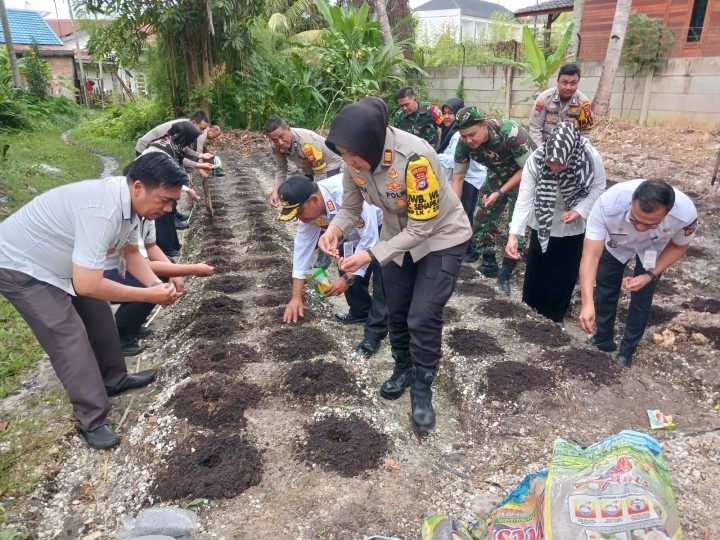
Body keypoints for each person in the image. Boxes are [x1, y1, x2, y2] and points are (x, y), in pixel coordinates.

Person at [0, 152, 187, 449]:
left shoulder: (131, 205)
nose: (169, 208)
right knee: (68, 336)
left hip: (63, 263)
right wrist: (148, 294)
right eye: (165, 200)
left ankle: (115, 379)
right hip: (23, 267)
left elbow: (131, 253)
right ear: (138, 187)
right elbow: (88, 284)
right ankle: (92, 418)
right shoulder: (102, 210)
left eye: (173, 202)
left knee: (99, 315)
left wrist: (155, 283)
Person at [320, 97, 472, 432]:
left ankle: (422, 387)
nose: (348, 161)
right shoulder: (353, 161)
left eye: (351, 154)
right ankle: (402, 366)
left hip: (440, 238)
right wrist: (333, 230)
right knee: (397, 308)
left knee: (423, 313)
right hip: (396, 239)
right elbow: (349, 208)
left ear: (372, 143)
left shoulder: (415, 159)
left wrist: (372, 254)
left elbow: (422, 228)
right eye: (343, 154)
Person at [579, 179, 698, 368]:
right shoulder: (607, 204)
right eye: (635, 219)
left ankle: (627, 351)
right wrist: (587, 303)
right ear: (631, 203)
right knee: (605, 283)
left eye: (650, 223)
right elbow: (590, 256)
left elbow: (678, 246)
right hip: (617, 240)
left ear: (668, 212)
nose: (640, 228)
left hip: (654, 247)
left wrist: (650, 274)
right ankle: (603, 337)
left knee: (642, 296)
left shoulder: (685, 214)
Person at [505, 123, 606, 327]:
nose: (555, 168)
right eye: (551, 163)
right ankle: (531, 311)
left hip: (574, 217)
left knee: (565, 270)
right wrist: (513, 235)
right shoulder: (537, 158)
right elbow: (524, 198)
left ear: (571, 155)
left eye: (561, 164)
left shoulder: (590, 157)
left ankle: (556, 315)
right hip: (543, 215)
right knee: (538, 266)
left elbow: (598, 188)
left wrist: (579, 210)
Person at [278, 175, 388, 356]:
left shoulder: (344, 195)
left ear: (314, 200)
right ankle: (360, 311)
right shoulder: (309, 212)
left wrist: (347, 279)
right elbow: (301, 252)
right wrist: (296, 297)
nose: (299, 219)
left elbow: (370, 239)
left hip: (381, 226)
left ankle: (375, 332)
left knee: (382, 277)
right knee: (344, 261)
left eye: (299, 213)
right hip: (350, 233)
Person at [451, 106, 537, 294]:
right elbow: (458, 177)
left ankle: (506, 271)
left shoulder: (511, 132)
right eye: (464, 136)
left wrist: (500, 191)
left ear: (484, 124)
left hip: (525, 177)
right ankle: (489, 262)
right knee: (481, 215)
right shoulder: (464, 142)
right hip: (497, 174)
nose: (468, 140)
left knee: (517, 226)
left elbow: (528, 170)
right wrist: (455, 211)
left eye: (472, 135)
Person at [105, 218, 214, 356]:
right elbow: (145, 265)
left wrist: (174, 269)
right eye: (165, 201)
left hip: (121, 268)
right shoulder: (127, 219)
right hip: (101, 273)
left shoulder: (146, 216)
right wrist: (192, 269)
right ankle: (119, 334)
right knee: (159, 277)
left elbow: (151, 246)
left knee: (168, 265)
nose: (168, 209)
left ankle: (131, 326)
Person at [437, 97, 487, 262]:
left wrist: (433, 156)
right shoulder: (451, 132)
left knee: (469, 214)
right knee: (464, 212)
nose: (447, 117)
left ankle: (472, 251)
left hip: (472, 179)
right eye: (444, 113)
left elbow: (452, 160)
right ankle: (465, 247)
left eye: (451, 113)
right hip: (463, 177)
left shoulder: (459, 135)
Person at [147, 121, 202, 257]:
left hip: (158, 182)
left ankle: (172, 245)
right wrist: (188, 190)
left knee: (168, 212)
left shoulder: (172, 144)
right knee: (161, 217)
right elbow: (168, 176)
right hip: (150, 182)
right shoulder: (162, 150)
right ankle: (165, 249)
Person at [265, 117, 344, 208]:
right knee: (304, 194)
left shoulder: (307, 143)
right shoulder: (276, 146)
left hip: (328, 163)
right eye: (274, 139)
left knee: (325, 193)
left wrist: (317, 195)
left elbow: (320, 174)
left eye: (282, 137)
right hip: (308, 167)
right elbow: (281, 169)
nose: (280, 142)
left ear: (288, 129)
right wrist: (275, 192)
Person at [529, 63, 594, 147]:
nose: (568, 87)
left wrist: (577, 151)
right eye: (564, 83)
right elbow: (535, 129)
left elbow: (585, 132)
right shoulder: (544, 99)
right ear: (557, 82)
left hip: (569, 148)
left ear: (578, 83)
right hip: (545, 145)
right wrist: (540, 151)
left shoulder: (583, 102)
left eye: (573, 83)